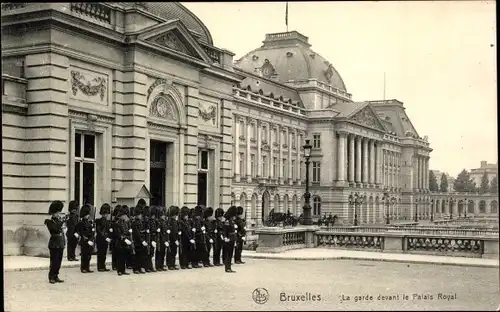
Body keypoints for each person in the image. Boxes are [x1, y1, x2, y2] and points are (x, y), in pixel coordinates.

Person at [44, 200, 66, 283]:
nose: (58, 214)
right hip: (54, 244)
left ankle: (56, 275)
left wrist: (64, 242)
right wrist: (61, 222)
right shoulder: (49, 222)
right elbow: (55, 230)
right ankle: (51, 277)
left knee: (59, 261)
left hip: (60, 243)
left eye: (58, 212)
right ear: (53, 213)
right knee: (54, 261)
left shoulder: (58, 221)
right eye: (56, 212)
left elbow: (62, 232)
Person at [76, 204, 95, 273]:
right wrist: (87, 239)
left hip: (89, 240)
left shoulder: (89, 222)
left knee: (89, 256)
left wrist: (91, 239)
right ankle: (83, 268)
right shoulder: (81, 223)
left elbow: (91, 232)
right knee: (84, 255)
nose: (88, 215)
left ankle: (87, 267)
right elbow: (81, 233)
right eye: (87, 214)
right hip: (84, 241)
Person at [114, 205, 132, 276]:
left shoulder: (125, 223)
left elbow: (126, 232)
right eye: (124, 215)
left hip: (125, 242)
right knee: (120, 257)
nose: (125, 217)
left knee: (124, 257)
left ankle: (123, 270)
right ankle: (119, 271)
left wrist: (129, 233)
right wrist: (124, 239)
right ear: (121, 216)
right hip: (120, 242)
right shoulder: (117, 223)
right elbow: (118, 234)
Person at [95, 203, 112, 272]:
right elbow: (99, 231)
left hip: (105, 239)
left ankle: (103, 266)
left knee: (104, 254)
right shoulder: (99, 221)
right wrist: (105, 237)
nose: (106, 215)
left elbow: (107, 230)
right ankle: (100, 267)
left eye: (107, 213)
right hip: (100, 239)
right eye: (105, 213)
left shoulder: (107, 221)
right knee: (100, 254)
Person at [131, 205, 147, 274]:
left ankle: (141, 267)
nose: (141, 216)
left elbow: (142, 231)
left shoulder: (141, 222)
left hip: (141, 240)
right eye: (139, 214)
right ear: (137, 215)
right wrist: (142, 240)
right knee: (137, 255)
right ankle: (136, 268)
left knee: (142, 255)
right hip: (137, 241)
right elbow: (137, 233)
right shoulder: (134, 223)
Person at [222, 206, 238, 273]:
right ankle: (227, 268)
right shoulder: (227, 221)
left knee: (231, 254)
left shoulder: (231, 221)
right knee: (228, 254)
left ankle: (229, 267)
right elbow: (225, 230)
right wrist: (225, 237)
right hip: (228, 239)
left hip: (232, 238)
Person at [166, 206, 180, 270]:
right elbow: (171, 231)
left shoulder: (174, 221)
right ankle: (170, 264)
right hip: (171, 239)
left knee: (174, 252)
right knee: (170, 252)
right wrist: (175, 239)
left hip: (175, 239)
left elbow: (176, 230)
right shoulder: (169, 221)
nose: (175, 216)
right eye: (174, 215)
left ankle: (172, 263)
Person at [155, 206, 168, 271]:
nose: (164, 216)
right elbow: (160, 233)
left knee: (163, 253)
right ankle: (158, 266)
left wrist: (166, 240)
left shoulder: (164, 222)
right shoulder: (158, 222)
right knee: (159, 253)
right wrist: (163, 240)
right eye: (163, 215)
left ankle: (161, 265)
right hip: (160, 240)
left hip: (164, 239)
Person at [145, 206, 157, 272]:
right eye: (153, 215)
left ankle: (150, 266)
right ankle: (148, 267)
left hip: (153, 238)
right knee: (148, 254)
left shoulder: (154, 221)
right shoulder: (148, 221)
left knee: (151, 253)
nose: (153, 216)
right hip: (149, 239)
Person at [110, 205, 121, 271]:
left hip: (117, 238)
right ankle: (114, 265)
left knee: (117, 252)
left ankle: (116, 265)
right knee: (114, 252)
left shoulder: (117, 220)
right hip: (114, 238)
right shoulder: (114, 221)